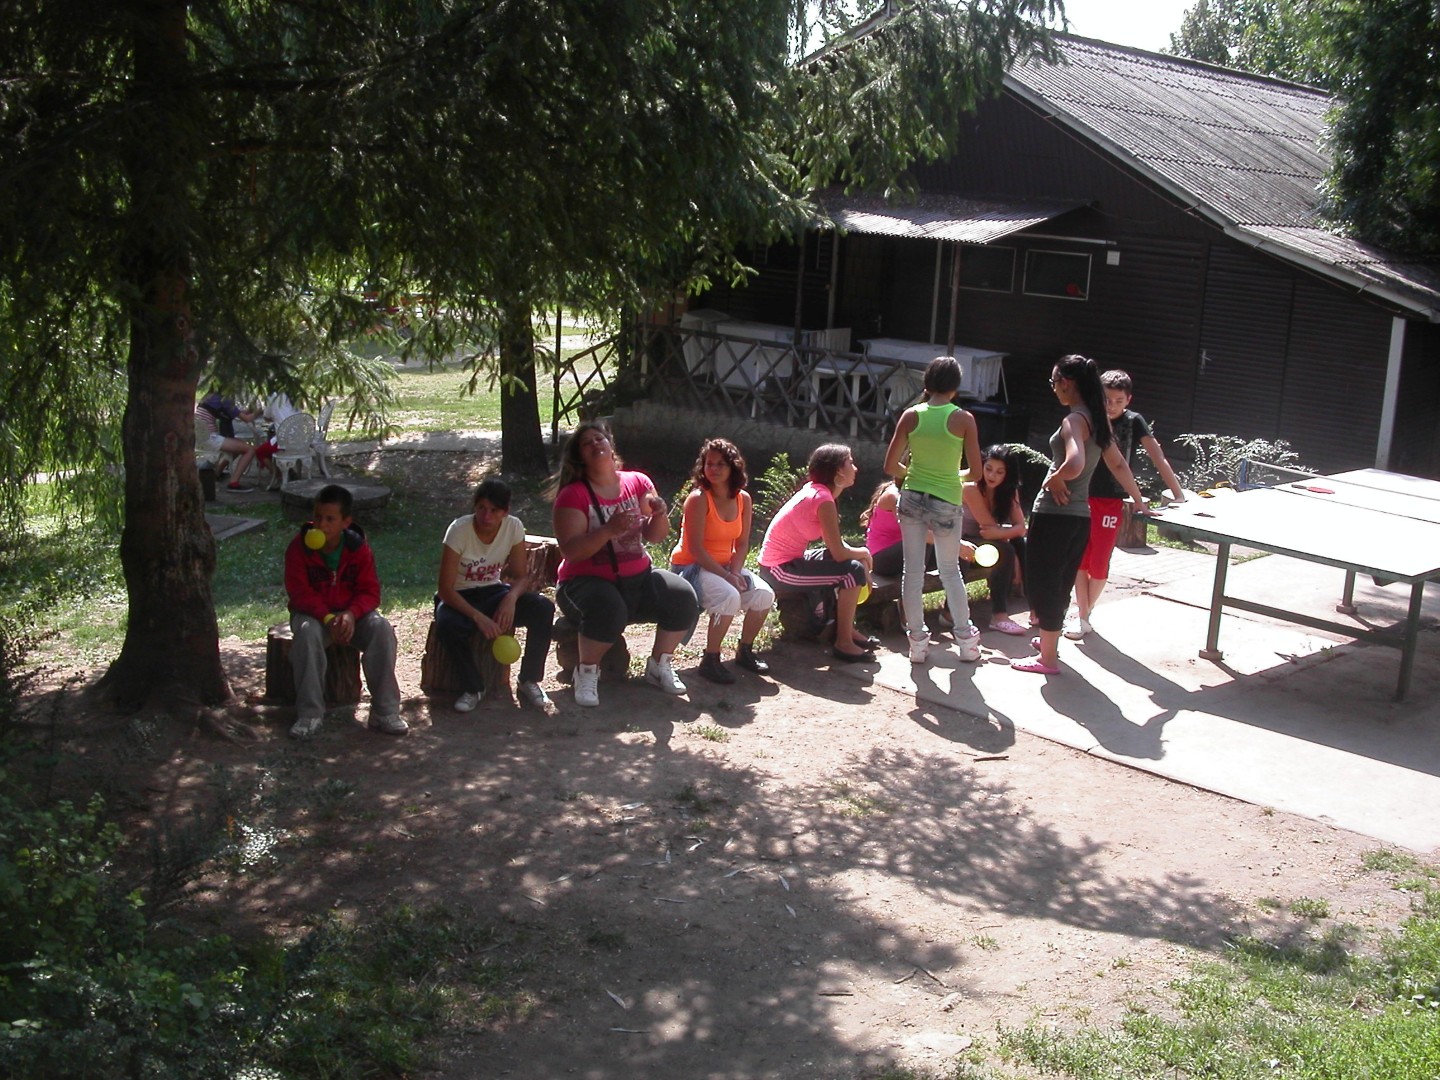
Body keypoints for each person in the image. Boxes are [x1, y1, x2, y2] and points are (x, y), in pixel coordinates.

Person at [1014, 355, 1148, 675]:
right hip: (1080, 517)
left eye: (1054, 382)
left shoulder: (1074, 420)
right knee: (1061, 582)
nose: (1053, 389)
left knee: (1044, 582)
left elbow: (1074, 463)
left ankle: (1047, 660)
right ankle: (1049, 642)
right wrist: (1139, 500)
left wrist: (1055, 477)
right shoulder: (1098, 420)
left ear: (1066, 382)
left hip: (1054, 515)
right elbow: (1118, 464)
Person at [550, 421, 699, 707]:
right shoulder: (573, 495)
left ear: (611, 445)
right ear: (579, 456)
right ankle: (586, 672)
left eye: (599, 438)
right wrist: (608, 530)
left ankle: (659, 665)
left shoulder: (637, 482)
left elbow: (655, 536)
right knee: (607, 607)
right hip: (583, 583)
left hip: (637, 579)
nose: (595, 444)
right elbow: (572, 551)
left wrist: (660, 514)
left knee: (682, 596)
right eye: (587, 443)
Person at [1066, 369, 1187, 640]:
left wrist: (1178, 494)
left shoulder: (1134, 421)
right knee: (1079, 559)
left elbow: (1158, 457)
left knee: (1099, 562)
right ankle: (1081, 615)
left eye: (1118, 401)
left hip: (1111, 500)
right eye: (1106, 399)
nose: (1111, 406)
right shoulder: (1086, 418)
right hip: (1081, 496)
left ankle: (1083, 614)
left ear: (1128, 400)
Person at [882, 355, 984, 665]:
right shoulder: (963, 419)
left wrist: (913, 473)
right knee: (950, 570)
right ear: (956, 386)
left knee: (912, 571)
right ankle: (966, 641)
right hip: (946, 499)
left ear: (926, 383)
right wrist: (952, 476)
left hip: (912, 496)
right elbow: (976, 472)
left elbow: (891, 465)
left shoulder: (911, 415)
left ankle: (917, 642)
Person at [283, 483, 406, 738]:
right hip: (314, 616)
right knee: (306, 634)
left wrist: (351, 614)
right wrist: (328, 618)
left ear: (345, 522)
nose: (321, 525)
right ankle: (310, 714)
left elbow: (370, 591)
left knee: (382, 630)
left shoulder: (358, 548)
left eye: (330, 519)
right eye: (318, 517)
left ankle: (385, 711)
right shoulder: (299, 547)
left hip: (353, 615)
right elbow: (300, 594)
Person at [435, 477, 555, 712]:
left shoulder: (513, 527)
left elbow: (521, 577)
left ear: (505, 512)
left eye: (494, 510)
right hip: (459, 596)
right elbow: (445, 589)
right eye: (481, 508)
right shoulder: (458, 530)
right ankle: (473, 687)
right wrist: (478, 617)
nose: (486, 516)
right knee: (448, 625)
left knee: (543, 608)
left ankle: (529, 679)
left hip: (493, 591)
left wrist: (511, 599)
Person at [757, 443, 876, 662]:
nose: (855, 468)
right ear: (838, 471)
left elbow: (834, 547)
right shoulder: (822, 499)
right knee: (852, 571)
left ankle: (846, 630)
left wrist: (860, 554)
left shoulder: (819, 492)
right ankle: (843, 642)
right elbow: (840, 553)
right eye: (850, 463)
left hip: (789, 562)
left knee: (849, 564)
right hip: (777, 570)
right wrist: (864, 553)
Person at [671, 438, 775, 683]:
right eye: (709, 463)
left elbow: (742, 543)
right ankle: (711, 659)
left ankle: (745, 650)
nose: (714, 469)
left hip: (726, 565)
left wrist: (735, 572)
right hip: (692, 567)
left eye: (720, 464)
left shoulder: (743, 499)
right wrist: (727, 576)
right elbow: (695, 549)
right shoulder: (698, 499)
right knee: (729, 596)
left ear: (733, 467)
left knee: (764, 594)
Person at [962, 443, 1030, 636]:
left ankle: (1035, 608)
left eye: (1000, 472)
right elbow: (988, 530)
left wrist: (1010, 533)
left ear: (1007, 475)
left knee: (1020, 544)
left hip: (986, 545)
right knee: (1006, 549)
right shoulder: (970, 488)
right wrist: (1011, 533)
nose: (992, 476)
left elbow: (1021, 527)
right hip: (963, 544)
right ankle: (999, 617)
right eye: (989, 469)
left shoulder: (1009, 491)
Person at [195, 392, 259, 491]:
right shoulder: (225, 399)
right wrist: (261, 411)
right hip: (210, 438)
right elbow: (247, 419)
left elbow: (236, 413)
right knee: (250, 449)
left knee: (238, 446)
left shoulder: (211, 396)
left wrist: (249, 410)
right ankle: (234, 483)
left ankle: (217, 473)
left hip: (202, 436)